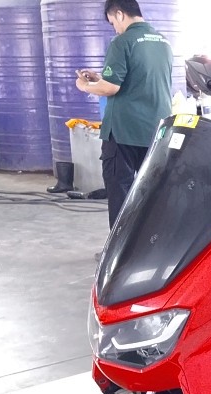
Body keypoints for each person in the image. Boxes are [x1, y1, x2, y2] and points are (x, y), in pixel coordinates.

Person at [75, 0, 173, 227]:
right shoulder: (163, 41)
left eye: (113, 23)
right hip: (155, 131)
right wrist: (101, 78)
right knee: (150, 196)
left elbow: (111, 88)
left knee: (121, 196)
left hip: (123, 132)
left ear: (119, 14)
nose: (115, 28)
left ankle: (121, 248)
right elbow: (140, 79)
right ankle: (149, 244)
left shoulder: (122, 42)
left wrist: (85, 86)